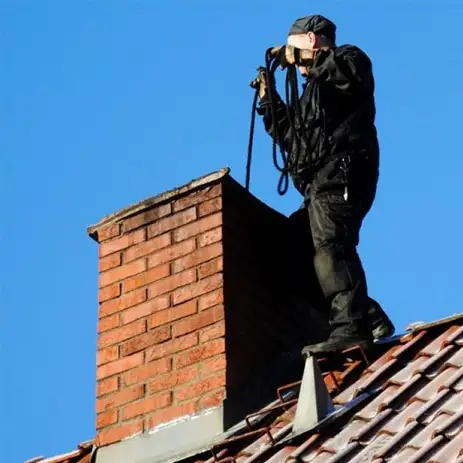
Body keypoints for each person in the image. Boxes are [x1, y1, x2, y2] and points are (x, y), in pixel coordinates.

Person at [254, 14, 395, 354]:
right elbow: (294, 139)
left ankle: (351, 328)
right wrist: (269, 100)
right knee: (291, 254)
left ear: (312, 40)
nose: (291, 61)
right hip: (318, 184)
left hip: (343, 172)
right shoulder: (311, 94)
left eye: (294, 48)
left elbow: (340, 73)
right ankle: (368, 315)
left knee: (331, 246)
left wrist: (299, 58)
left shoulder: (349, 59)